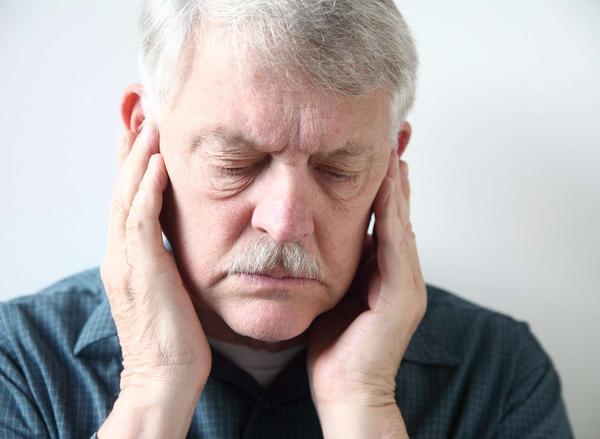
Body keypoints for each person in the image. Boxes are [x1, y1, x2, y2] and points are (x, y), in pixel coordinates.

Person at [0, 1, 573, 438]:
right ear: (142, 136)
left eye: (338, 169)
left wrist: (364, 402)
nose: (286, 222)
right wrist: (154, 390)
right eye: (237, 162)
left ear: (392, 163)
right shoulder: (20, 362)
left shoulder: (498, 371)